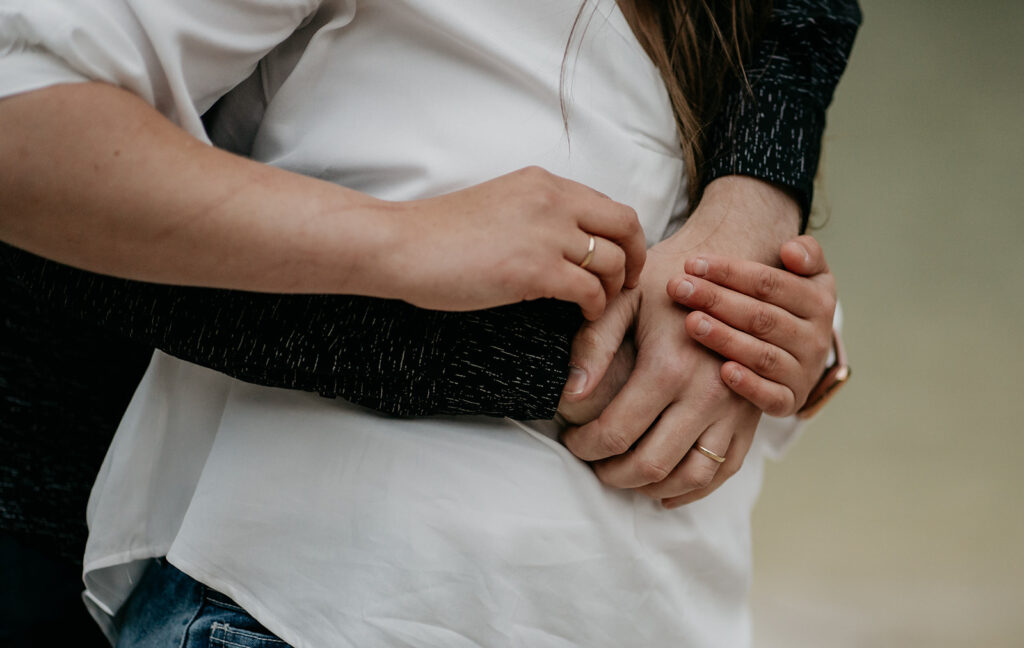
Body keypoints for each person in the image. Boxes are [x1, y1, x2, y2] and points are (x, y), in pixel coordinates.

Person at [0, 0, 860, 646]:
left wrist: (781, 339)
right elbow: (24, 122)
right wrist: (404, 243)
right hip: (324, 606)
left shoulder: (746, 39)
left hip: (659, 613)